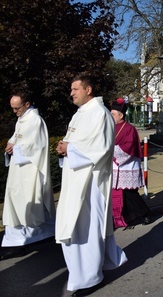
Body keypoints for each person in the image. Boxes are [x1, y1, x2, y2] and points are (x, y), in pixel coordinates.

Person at [55, 75, 127, 293]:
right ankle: (80, 274)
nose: (72, 93)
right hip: (75, 180)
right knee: (74, 228)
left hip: (91, 182)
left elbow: (101, 148)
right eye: (71, 89)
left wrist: (70, 149)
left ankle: (91, 277)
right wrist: (64, 147)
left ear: (88, 89)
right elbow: (75, 142)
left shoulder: (100, 114)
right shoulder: (79, 114)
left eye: (75, 89)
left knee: (86, 229)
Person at [2, 91, 55, 257]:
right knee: (20, 203)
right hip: (18, 170)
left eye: (17, 108)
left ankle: (20, 240)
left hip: (30, 171)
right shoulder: (21, 120)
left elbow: (36, 147)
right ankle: (42, 233)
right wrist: (11, 145)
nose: (15, 111)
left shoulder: (35, 121)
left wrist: (15, 148)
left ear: (27, 104)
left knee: (26, 204)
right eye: (12, 108)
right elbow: (17, 139)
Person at [110, 98, 151, 229]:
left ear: (121, 115)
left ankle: (145, 213)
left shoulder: (129, 129)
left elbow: (129, 147)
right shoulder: (109, 127)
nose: (111, 116)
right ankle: (126, 217)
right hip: (114, 166)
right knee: (118, 194)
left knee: (130, 194)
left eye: (113, 114)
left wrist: (111, 152)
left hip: (127, 164)